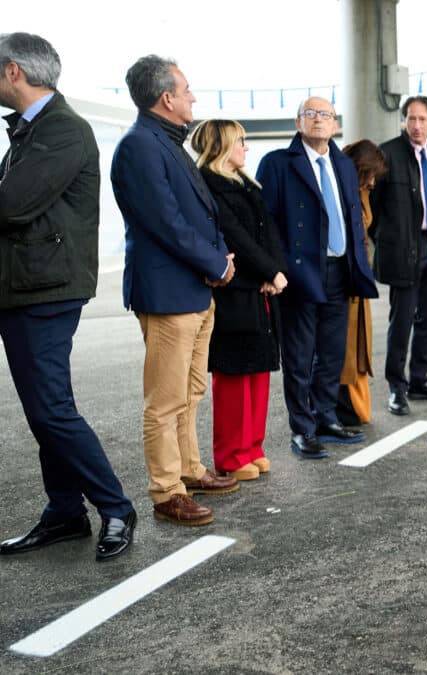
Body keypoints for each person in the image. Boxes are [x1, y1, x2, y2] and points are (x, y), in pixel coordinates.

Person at [0, 32, 136, 560]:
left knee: (52, 409)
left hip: (45, 290)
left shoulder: (61, 129)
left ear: (14, 71)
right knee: (44, 409)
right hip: (28, 287)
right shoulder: (31, 130)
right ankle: (63, 512)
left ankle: (115, 506)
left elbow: (10, 205)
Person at [111, 55, 239, 526]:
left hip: (194, 288)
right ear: (166, 98)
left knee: (190, 390)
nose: (193, 98)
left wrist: (220, 260)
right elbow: (166, 222)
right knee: (164, 401)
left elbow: (202, 215)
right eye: (187, 91)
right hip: (168, 292)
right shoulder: (140, 147)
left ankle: (189, 468)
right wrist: (215, 265)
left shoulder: (166, 141)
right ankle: (167, 491)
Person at [256, 97, 378, 458]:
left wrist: (359, 264)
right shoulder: (278, 163)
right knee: (299, 353)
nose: (319, 120)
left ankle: (325, 417)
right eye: (311, 114)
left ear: (336, 124)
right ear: (298, 123)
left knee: (332, 350)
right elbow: (267, 222)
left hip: (341, 268)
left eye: (325, 115)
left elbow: (352, 217)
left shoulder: (342, 163)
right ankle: (302, 428)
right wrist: (276, 269)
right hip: (300, 272)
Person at [193, 120, 287, 480]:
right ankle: (232, 455)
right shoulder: (209, 185)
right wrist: (269, 272)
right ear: (222, 145)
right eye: (241, 141)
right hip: (235, 290)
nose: (246, 148)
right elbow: (236, 238)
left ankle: (253, 447)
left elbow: (268, 233)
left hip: (260, 287)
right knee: (233, 374)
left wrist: (274, 272)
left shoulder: (246, 183)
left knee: (258, 370)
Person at [370, 95, 427, 416]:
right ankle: (396, 386)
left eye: (422, 119)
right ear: (404, 121)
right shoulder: (387, 154)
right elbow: (370, 207)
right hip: (405, 248)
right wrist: (386, 239)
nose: (416, 125)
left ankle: (419, 378)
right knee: (401, 321)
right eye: (411, 119)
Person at [336, 139, 388, 426]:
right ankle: (342, 406)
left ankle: (349, 406)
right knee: (346, 343)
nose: (374, 181)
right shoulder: (345, 193)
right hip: (346, 278)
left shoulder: (362, 191)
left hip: (358, 278)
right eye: (370, 174)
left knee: (356, 342)